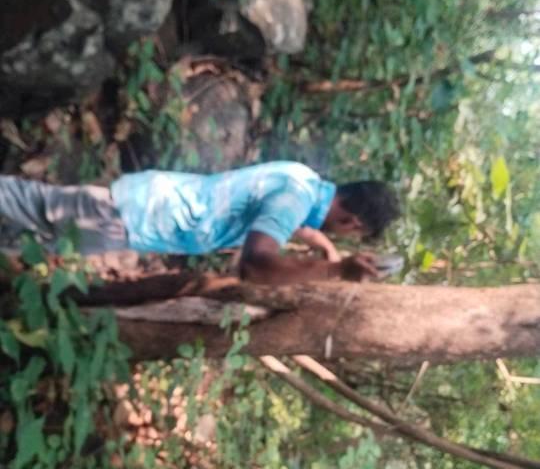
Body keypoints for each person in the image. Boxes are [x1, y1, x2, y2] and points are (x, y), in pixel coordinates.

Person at [0, 161, 399, 283]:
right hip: (135, 216)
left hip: (141, 211)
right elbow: (255, 265)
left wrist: (325, 247)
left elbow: (291, 223)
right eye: (351, 234)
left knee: (29, 236)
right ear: (351, 221)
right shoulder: (296, 200)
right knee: (26, 203)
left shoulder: (304, 183)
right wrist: (334, 271)